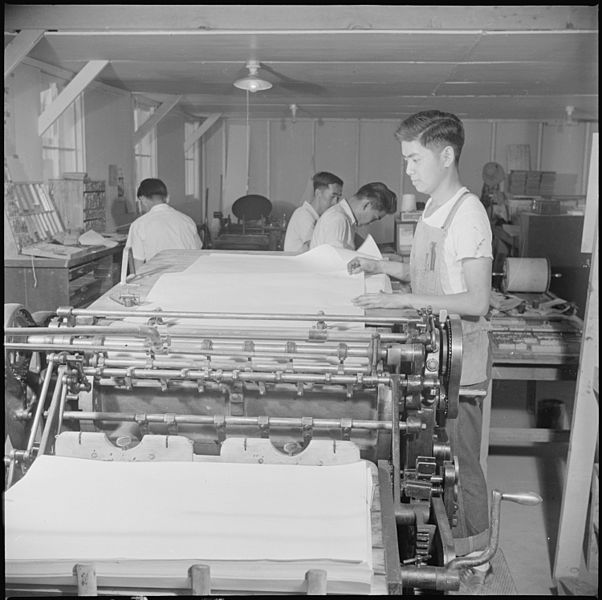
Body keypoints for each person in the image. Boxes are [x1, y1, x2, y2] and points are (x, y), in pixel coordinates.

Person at [348, 110, 493, 586]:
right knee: (429, 452)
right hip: (430, 350)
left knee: (461, 460)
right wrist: (384, 269)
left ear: (446, 155)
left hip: (459, 360)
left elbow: (475, 299)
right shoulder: (433, 209)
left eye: (414, 158)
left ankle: (476, 554)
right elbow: (430, 274)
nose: (407, 169)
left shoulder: (468, 214)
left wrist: (407, 298)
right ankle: (438, 536)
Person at [126, 178, 202, 269]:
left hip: (158, 280)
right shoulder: (187, 220)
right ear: (167, 198)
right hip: (187, 277)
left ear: (143, 199)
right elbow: (198, 253)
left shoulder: (138, 225)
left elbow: (137, 266)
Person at [310, 182, 397, 250]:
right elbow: (336, 264)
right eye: (374, 218)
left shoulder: (345, 219)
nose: (370, 223)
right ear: (366, 205)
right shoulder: (338, 219)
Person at [283, 171, 343, 252]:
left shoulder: (320, 217)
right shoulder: (303, 214)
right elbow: (316, 248)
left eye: (338, 198)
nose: (336, 202)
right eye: (332, 196)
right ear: (318, 193)